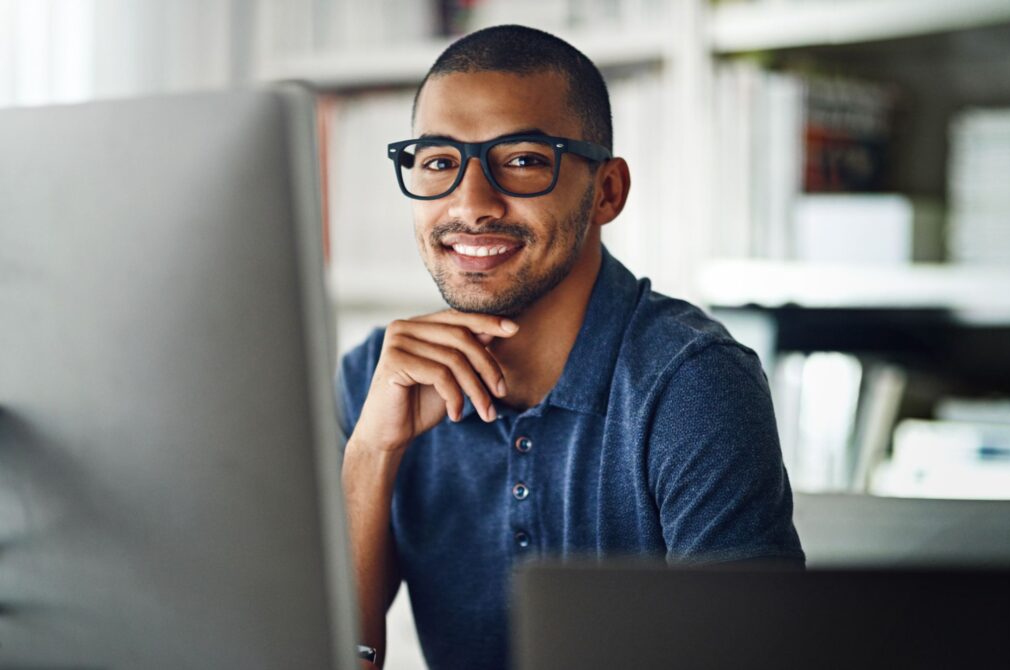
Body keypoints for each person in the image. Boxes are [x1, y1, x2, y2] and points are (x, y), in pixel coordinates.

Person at [336, 24, 804, 670]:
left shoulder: (692, 384)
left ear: (607, 192)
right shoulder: (375, 379)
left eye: (523, 160)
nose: (470, 204)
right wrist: (368, 455)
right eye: (440, 161)